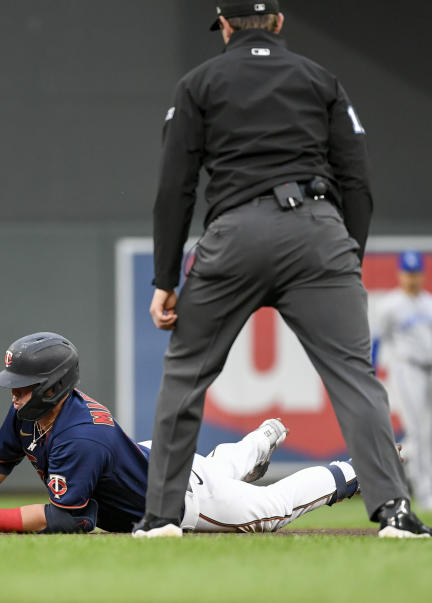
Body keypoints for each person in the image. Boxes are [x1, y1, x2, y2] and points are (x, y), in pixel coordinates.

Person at [137, 0, 430, 538]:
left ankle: (160, 517)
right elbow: (357, 180)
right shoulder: (321, 79)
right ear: (278, 22)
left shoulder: (198, 83)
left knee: (186, 375)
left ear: (224, 25)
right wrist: (346, 260)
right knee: (355, 379)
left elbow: (174, 188)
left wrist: (164, 279)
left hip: (233, 236)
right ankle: (395, 513)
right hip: (318, 234)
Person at [0, 332, 362, 535]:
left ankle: (352, 469)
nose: (14, 395)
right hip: (143, 461)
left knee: (270, 513)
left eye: (24, 387)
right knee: (213, 467)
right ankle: (260, 440)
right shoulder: (31, 412)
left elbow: (72, 519)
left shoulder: (79, 438)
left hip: (179, 500)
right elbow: (0, 458)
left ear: (53, 387)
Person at [373, 250, 432, 511]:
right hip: (407, 370)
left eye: (416, 273)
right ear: (400, 274)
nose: (412, 279)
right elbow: (376, 340)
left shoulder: (428, 302)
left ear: (423, 274)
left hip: (429, 369)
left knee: (426, 434)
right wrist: (370, 372)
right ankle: (425, 493)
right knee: (419, 433)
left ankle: (392, 461)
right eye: (408, 273)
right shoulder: (390, 305)